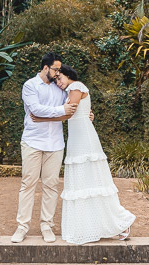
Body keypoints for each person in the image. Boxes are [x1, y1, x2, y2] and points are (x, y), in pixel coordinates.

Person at [34, 65, 135, 244]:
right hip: (78, 137)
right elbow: (76, 112)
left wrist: (41, 118)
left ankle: (120, 221)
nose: (58, 82)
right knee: (86, 183)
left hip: (84, 140)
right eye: (56, 80)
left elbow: (68, 112)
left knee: (92, 182)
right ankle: (92, 226)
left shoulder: (75, 87)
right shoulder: (74, 89)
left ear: (67, 74)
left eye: (59, 78)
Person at [12, 53, 77, 243]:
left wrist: (87, 113)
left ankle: (46, 225)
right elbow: (36, 110)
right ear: (46, 68)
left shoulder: (61, 89)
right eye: (56, 69)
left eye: (59, 70)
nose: (58, 74)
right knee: (28, 184)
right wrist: (60, 111)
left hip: (55, 143)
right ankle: (22, 227)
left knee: (51, 185)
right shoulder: (30, 85)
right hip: (33, 141)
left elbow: (74, 104)